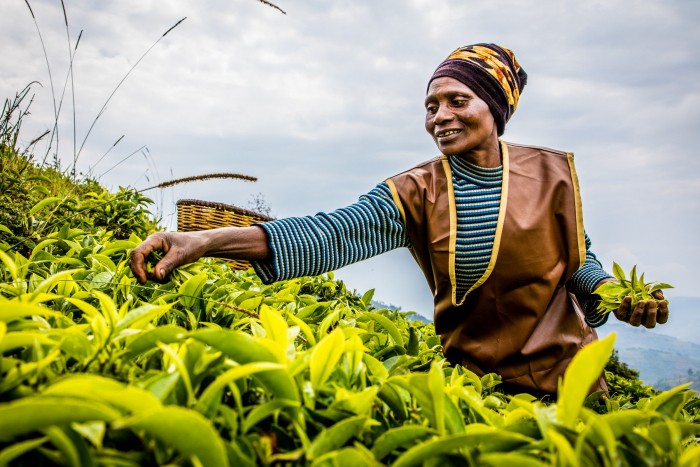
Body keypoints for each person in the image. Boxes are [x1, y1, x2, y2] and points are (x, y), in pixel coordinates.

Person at [130, 43, 669, 396]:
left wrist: (618, 296)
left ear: (495, 110)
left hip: (573, 383)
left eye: (457, 100)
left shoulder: (551, 175)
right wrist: (202, 242)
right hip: (477, 389)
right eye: (431, 105)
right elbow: (329, 233)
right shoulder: (417, 190)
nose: (440, 117)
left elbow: (577, 262)